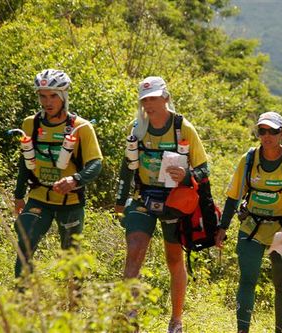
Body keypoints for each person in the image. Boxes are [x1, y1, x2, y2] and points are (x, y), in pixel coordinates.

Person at [114, 76, 210, 333]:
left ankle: (176, 321)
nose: (149, 104)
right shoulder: (138, 128)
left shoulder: (183, 127)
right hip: (143, 197)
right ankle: (130, 317)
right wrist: (120, 200)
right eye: (145, 99)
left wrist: (187, 176)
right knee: (134, 251)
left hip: (173, 200)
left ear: (165, 98)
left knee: (173, 259)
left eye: (154, 98)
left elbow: (203, 169)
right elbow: (127, 165)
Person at [215, 111, 282, 333]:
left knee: (281, 284)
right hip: (251, 227)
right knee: (247, 279)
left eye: (273, 131)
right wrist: (223, 226)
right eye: (262, 131)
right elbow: (234, 196)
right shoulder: (249, 159)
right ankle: (243, 330)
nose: (267, 135)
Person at [14, 69, 103, 282]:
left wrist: (75, 180)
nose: (47, 102)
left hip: (70, 202)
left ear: (63, 96)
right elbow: (24, 162)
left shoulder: (82, 127)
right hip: (38, 197)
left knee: (70, 257)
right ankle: (21, 303)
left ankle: (74, 305)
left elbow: (96, 163)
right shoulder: (30, 124)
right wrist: (18, 195)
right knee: (23, 246)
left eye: (53, 95)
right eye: (43, 96)